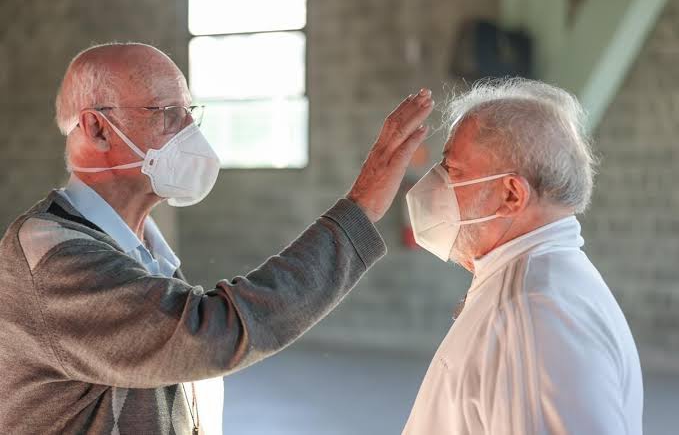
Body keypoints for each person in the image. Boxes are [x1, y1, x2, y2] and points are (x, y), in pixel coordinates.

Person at [0, 42, 434, 434]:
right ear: (96, 130)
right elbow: (210, 334)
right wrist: (358, 211)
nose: (190, 132)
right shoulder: (50, 255)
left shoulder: (142, 249)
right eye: (167, 113)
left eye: (190, 112)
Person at [402, 78, 643, 435]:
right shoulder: (538, 285)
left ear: (511, 195)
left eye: (452, 171)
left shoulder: (531, 315)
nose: (437, 185)